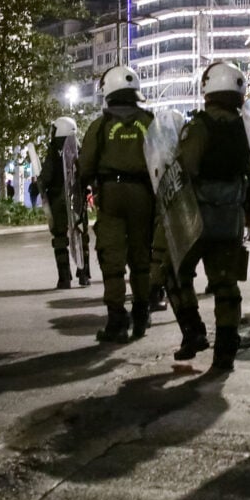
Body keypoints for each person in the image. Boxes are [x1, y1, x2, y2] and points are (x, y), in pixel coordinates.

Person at [169, 63, 250, 372]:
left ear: (208, 91)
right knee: (225, 285)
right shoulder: (248, 130)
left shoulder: (199, 126)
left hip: (197, 218)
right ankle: (225, 349)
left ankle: (193, 331)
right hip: (231, 218)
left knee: (176, 272)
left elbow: (186, 168)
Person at [79, 65, 157, 341]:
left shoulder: (100, 126)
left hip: (111, 194)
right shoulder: (150, 122)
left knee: (112, 258)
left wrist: (85, 189)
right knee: (141, 257)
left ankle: (117, 321)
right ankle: (142, 313)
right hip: (144, 195)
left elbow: (85, 166)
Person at [40, 116, 87, 290]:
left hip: (58, 198)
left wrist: (40, 185)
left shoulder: (54, 149)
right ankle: (84, 274)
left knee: (60, 238)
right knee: (81, 235)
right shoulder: (78, 149)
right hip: (77, 197)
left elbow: (47, 175)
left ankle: (64, 277)